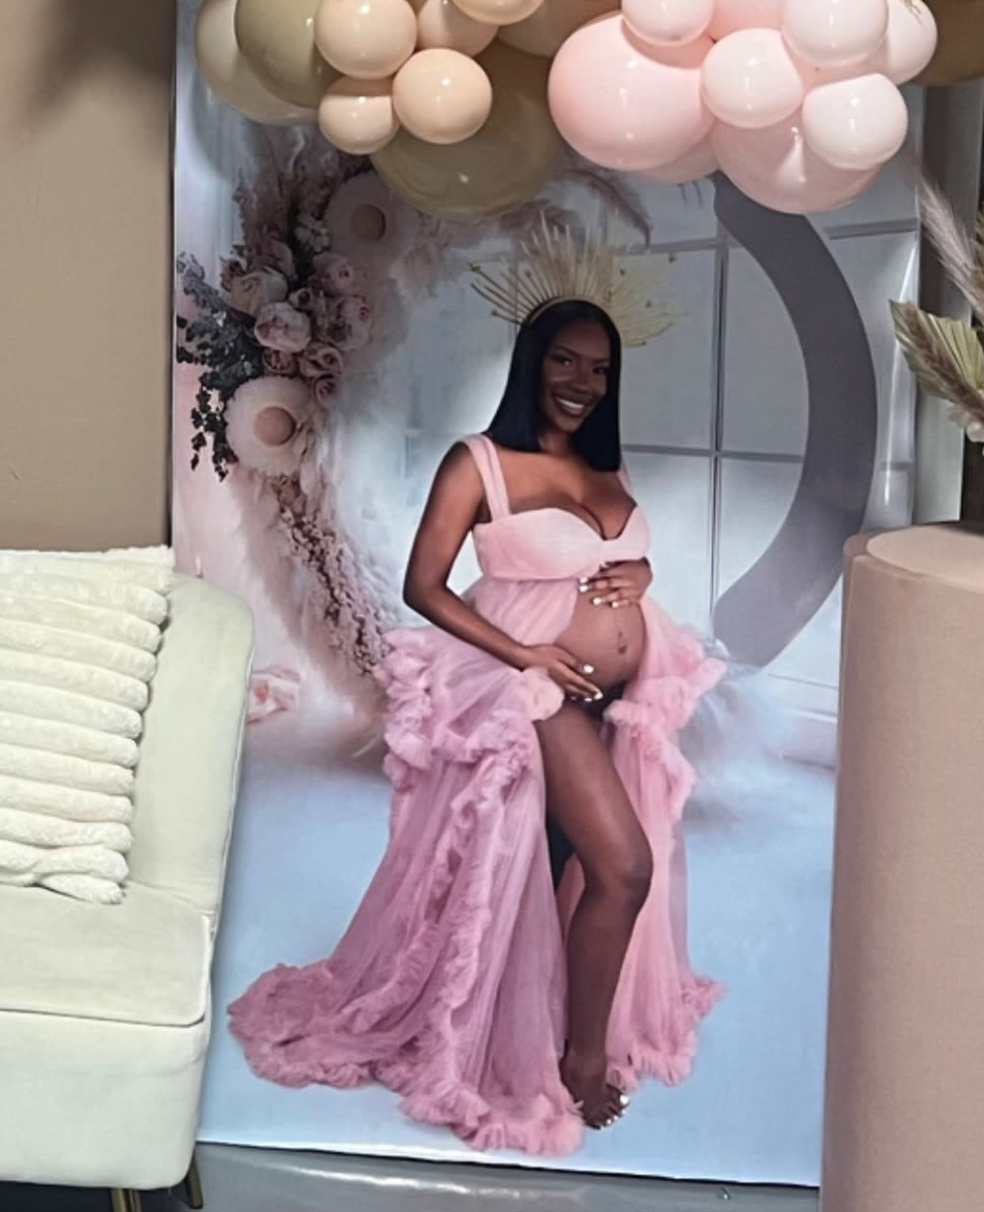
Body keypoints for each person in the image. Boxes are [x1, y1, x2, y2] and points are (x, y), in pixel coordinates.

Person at [228, 269, 721, 1151]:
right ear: (531, 362)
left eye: (599, 369)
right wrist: (526, 654)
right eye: (564, 361)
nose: (582, 381)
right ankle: (579, 1062)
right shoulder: (480, 463)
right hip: (532, 688)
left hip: (623, 692)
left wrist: (639, 571)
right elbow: (425, 586)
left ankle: (546, 1009)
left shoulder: (604, 464)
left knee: (564, 863)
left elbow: (607, 554)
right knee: (623, 867)